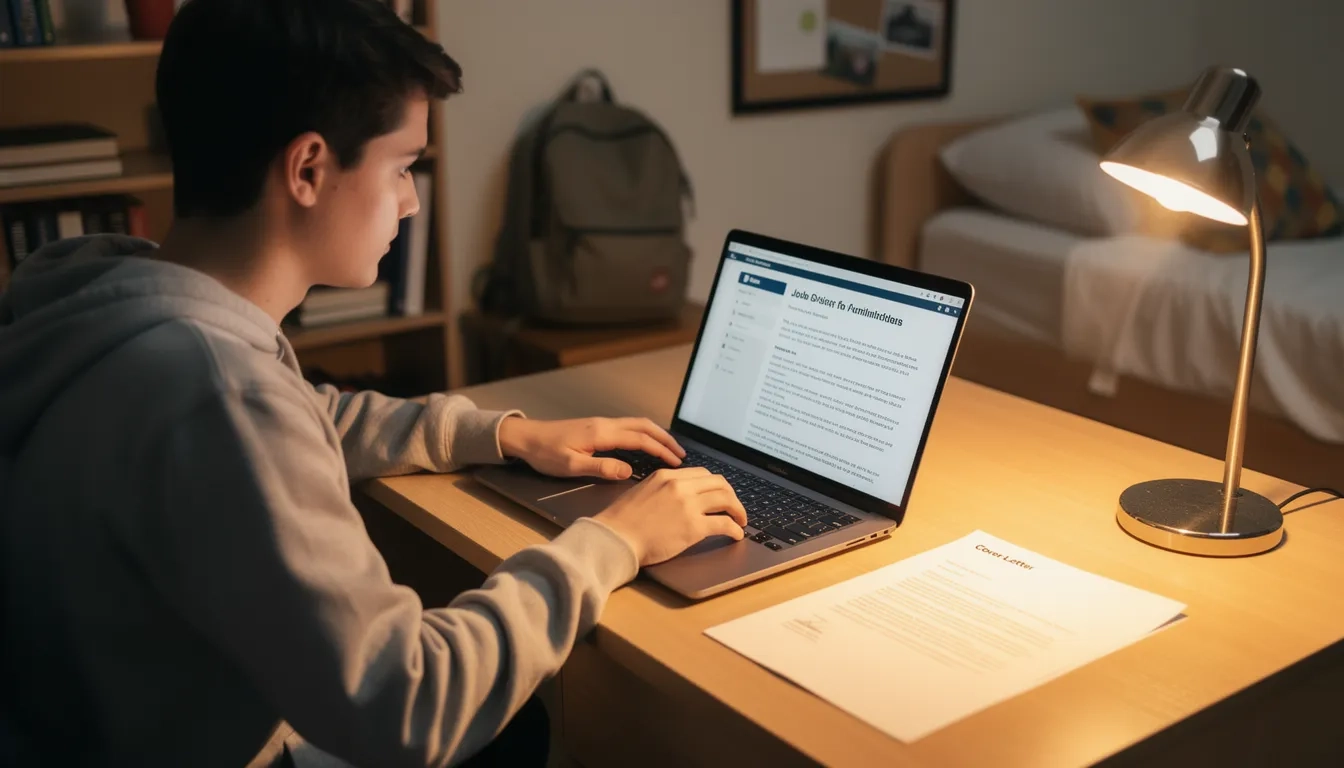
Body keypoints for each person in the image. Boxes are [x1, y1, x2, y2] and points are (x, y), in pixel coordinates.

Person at [0, 1, 747, 766]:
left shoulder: (108, 302)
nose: (412, 200)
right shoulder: (223, 391)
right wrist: (614, 541)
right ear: (309, 169)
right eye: (401, 168)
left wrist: (501, 434)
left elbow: (300, 412)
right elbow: (409, 705)